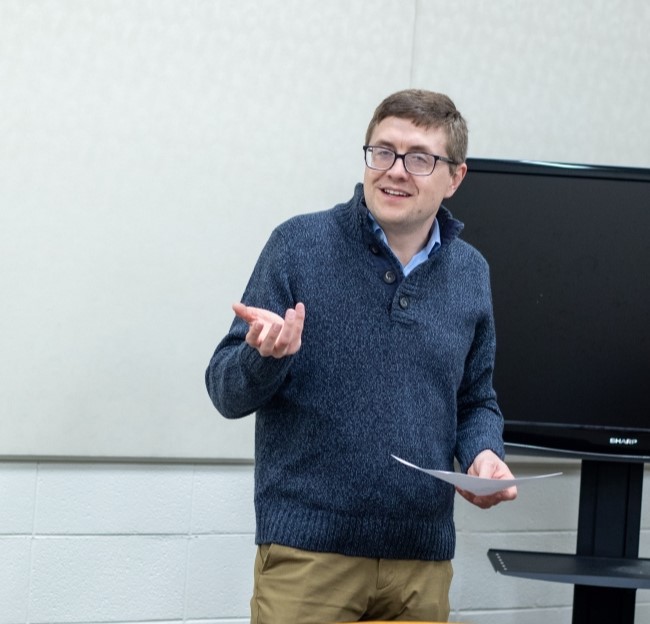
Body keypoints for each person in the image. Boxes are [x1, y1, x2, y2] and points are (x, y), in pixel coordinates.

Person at [205, 88, 517, 623]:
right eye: (383, 151)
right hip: (310, 557)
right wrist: (266, 358)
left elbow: (475, 399)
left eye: (420, 158)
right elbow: (225, 391)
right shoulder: (299, 245)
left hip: (422, 562)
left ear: (455, 178)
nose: (395, 171)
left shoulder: (471, 272)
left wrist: (484, 452)